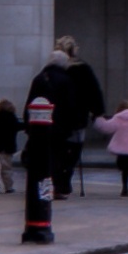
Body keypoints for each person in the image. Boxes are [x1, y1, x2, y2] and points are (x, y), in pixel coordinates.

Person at [52, 35, 106, 195]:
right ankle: (66, 174)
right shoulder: (83, 69)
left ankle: (59, 177)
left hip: (58, 116)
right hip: (78, 115)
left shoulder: (55, 69)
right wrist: (97, 111)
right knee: (75, 147)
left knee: (59, 148)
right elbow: (94, 91)